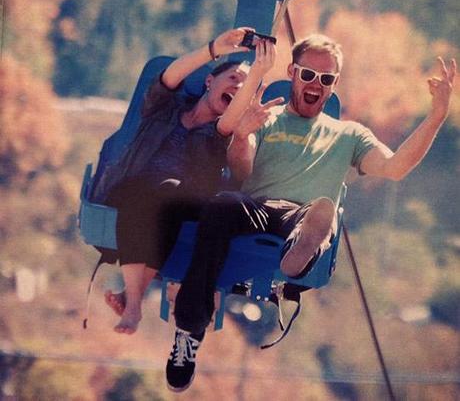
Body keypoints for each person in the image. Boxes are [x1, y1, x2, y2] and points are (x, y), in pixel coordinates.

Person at [165, 33, 457, 392]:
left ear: (333, 86)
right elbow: (241, 171)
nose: (316, 84)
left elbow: (395, 168)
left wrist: (437, 115)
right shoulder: (266, 117)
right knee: (222, 203)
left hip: (300, 215)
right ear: (291, 73)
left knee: (320, 212)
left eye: (326, 79)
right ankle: (189, 330)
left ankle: (304, 245)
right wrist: (241, 136)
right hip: (256, 207)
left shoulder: (350, 134)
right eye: (307, 75)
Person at [98, 28, 280, 336]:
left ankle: (132, 304)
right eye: (234, 78)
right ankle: (133, 299)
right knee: (142, 193)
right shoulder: (165, 109)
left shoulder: (219, 134)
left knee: (168, 197)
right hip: (136, 191)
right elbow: (169, 77)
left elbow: (229, 122)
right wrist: (214, 49)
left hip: (185, 200)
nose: (239, 86)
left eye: (245, 85)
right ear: (210, 81)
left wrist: (257, 74)